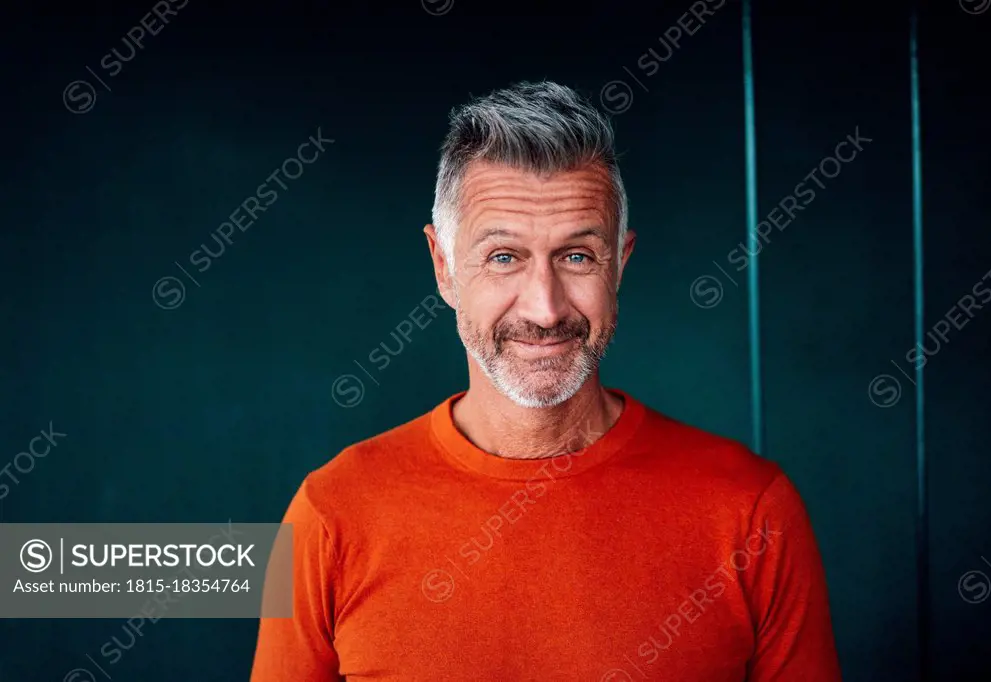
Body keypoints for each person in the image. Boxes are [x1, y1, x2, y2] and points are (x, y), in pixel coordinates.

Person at [250, 80, 843, 681]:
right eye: (504, 256)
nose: (545, 308)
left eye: (577, 256)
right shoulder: (329, 513)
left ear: (621, 262)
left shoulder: (752, 511)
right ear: (444, 268)